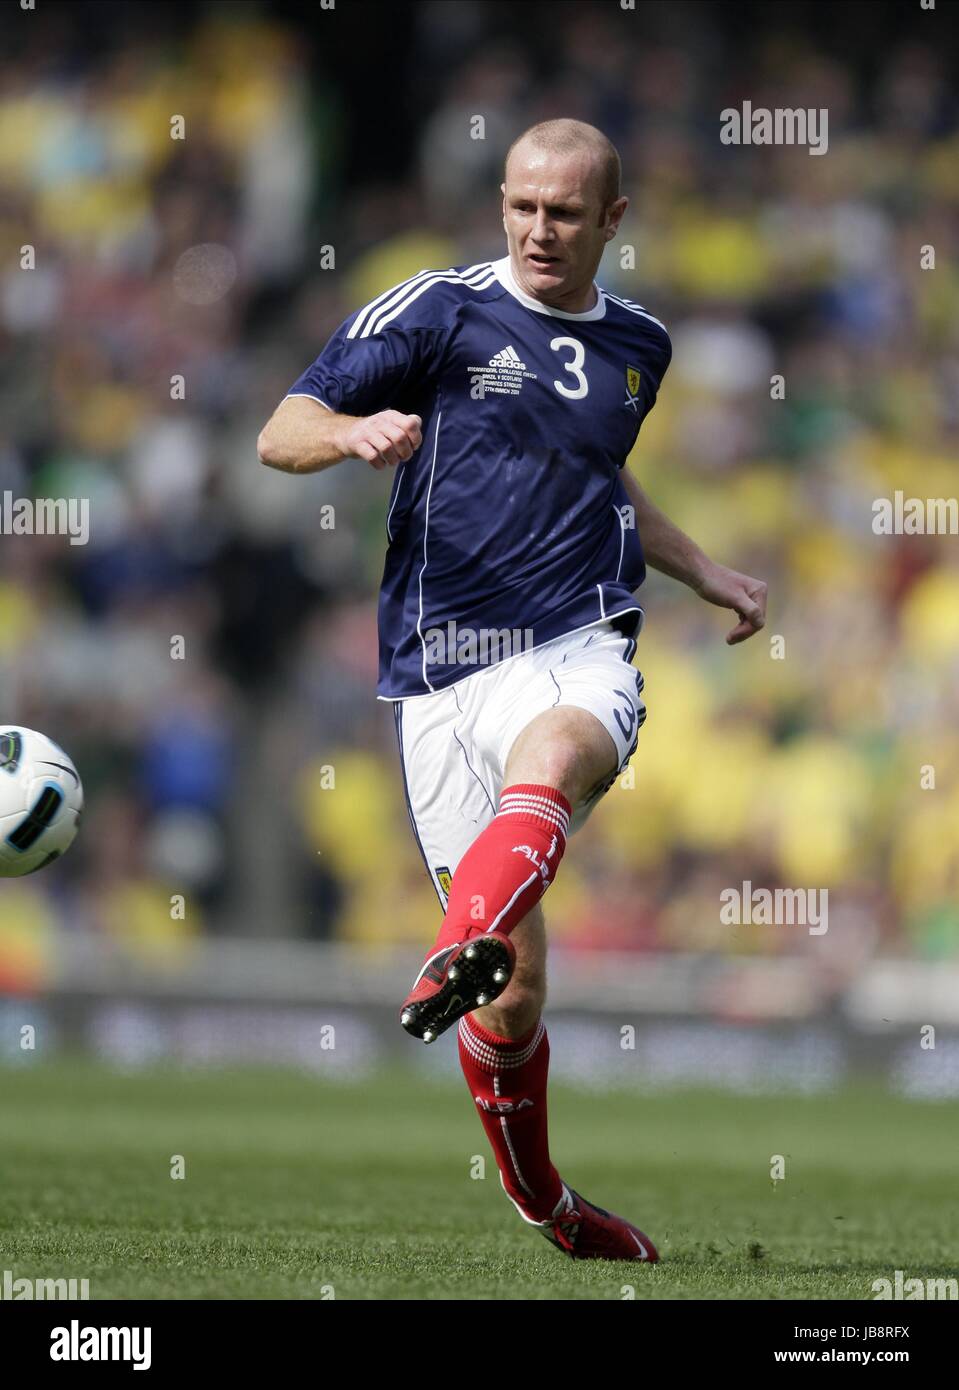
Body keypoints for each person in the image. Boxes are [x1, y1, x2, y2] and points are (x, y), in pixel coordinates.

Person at [258, 118, 767, 1261]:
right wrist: (348, 433)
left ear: (611, 222)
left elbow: (600, 476)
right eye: (523, 207)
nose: (540, 230)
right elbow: (276, 429)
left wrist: (703, 572)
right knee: (514, 1002)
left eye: (565, 213)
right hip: (437, 676)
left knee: (560, 752)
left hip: (576, 640)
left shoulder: (640, 343)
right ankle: (547, 1203)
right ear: (502, 203)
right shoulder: (433, 310)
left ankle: (458, 931)